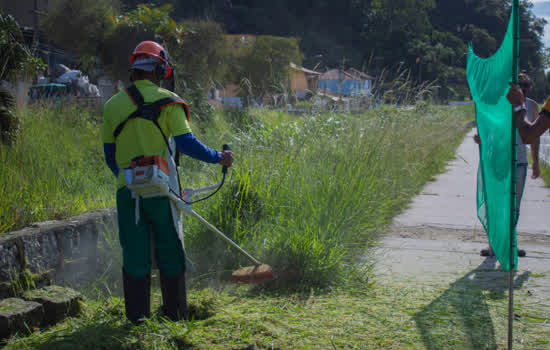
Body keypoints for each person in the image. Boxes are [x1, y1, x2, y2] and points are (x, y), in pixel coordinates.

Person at [102, 41, 233, 324]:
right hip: (163, 191)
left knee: (135, 254)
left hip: (127, 194)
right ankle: (175, 316)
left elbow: (109, 156)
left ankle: (137, 321)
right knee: (170, 250)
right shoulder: (169, 101)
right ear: (161, 70)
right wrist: (218, 157)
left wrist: (127, 179)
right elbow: (187, 144)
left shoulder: (112, 106)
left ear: (134, 70)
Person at [476, 73, 541, 257]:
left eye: (526, 84)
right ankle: (493, 245)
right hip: (499, 160)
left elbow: (535, 136)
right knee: (496, 202)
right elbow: (489, 129)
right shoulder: (501, 103)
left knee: (514, 206)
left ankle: (511, 243)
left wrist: (535, 162)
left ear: (530, 87)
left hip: (520, 162)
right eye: (519, 84)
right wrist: (482, 139)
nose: (523, 88)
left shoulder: (532, 106)